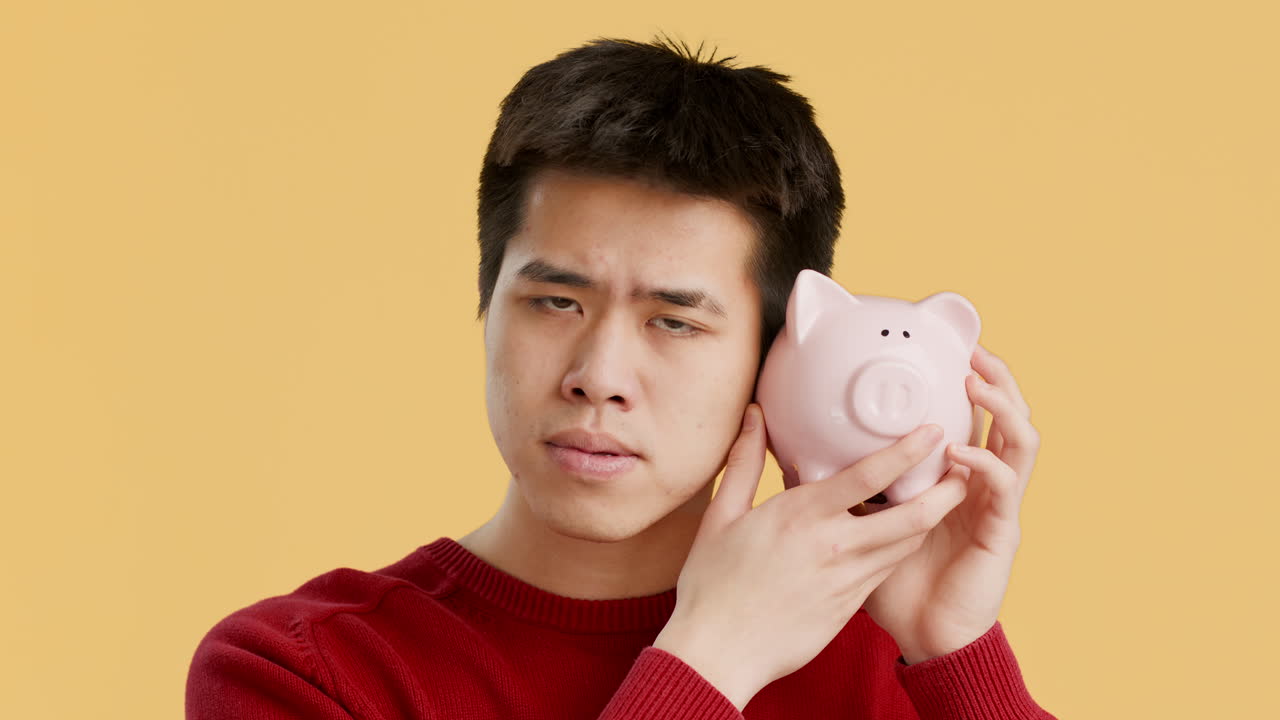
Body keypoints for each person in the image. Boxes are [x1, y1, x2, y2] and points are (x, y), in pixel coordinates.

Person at [186, 34, 1054, 719]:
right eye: (556, 303)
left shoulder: (894, 662)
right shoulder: (299, 672)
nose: (599, 378)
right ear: (487, 305)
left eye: (674, 321)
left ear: (775, 356)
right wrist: (710, 663)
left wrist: (956, 657)